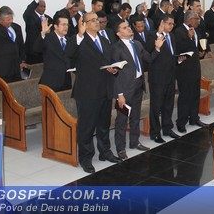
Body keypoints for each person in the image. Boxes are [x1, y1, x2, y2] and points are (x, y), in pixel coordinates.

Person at [66, 12, 120, 173]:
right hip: (87, 91)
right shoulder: (78, 40)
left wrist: (113, 68)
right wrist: (79, 35)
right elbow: (69, 54)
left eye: (98, 19)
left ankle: (105, 152)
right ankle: (85, 158)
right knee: (87, 127)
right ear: (84, 24)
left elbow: (108, 61)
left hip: (105, 88)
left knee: (104, 124)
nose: (97, 22)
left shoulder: (104, 40)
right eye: (93, 20)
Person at [111, 20, 163, 160]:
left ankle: (134, 142)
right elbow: (114, 73)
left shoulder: (137, 44)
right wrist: (119, 94)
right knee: (122, 120)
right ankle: (120, 148)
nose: (129, 28)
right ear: (118, 33)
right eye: (124, 27)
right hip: (124, 89)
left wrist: (157, 48)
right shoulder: (116, 48)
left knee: (135, 117)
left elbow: (149, 59)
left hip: (138, 85)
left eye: (128, 26)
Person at [145, 14, 180, 143]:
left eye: (173, 24)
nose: (171, 26)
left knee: (168, 105)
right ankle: (155, 132)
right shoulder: (152, 35)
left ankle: (167, 128)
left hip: (170, 76)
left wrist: (178, 59)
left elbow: (171, 55)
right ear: (162, 23)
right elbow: (148, 52)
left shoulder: (172, 36)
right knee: (156, 107)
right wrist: (158, 34)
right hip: (158, 78)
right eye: (169, 23)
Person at [174, 10, 209, 133]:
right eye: (196, 19)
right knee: (185, 96)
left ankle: (194, 118)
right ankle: (181, 122)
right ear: (189, 20)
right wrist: (189, 37)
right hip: (184, 69)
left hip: (195, 67)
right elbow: (179, 48)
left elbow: (195, 47)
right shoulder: (178, 32)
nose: (198, 21)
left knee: (195, 94)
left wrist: (200, 52)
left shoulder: (196, 30)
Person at [0, 4, 27, 83]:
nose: (11, 21)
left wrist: (22, 61)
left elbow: (21, 45)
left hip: (16, 68)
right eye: (8, 19)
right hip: (2, 70)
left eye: (11, 18)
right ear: (0, 20)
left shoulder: (17, 27)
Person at [34, 13, 72, 92]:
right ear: (56, 26)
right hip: (51, 81)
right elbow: (37, 49)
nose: (66, 27)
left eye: (67, 25)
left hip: (66, 81)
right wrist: (43, 33)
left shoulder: (69, 40)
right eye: (63, 24)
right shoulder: (48, 38)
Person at [22, 0, 52, 64]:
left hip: (46, 52)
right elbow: (27, 12)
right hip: (32, 52)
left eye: (44, 6)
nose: (43, 8)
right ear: (36, 7)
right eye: (41, 6)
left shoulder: (48, 19)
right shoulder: (30, 17)